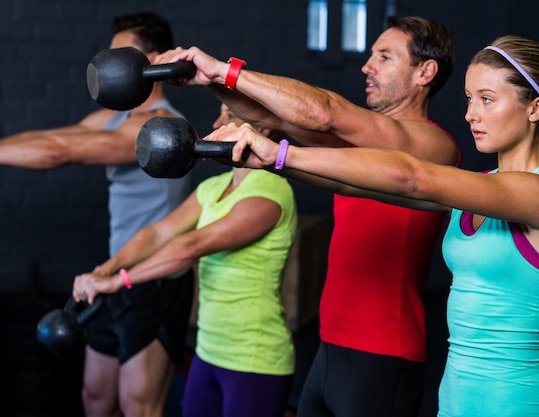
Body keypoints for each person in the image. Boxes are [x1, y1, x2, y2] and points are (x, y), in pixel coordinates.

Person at [207, 35, 539, 417]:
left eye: (487, 99)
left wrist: (282, 151)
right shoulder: (474, 195)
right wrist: (274, 161)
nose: (471, 114)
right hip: (456, 401)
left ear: (535, 108)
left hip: (522, 405)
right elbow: (351, 183)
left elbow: (412, 176)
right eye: (470, 99)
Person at [156, 15, 459, 417]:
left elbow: (324, 111)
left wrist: (226, 70)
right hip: (330, 346)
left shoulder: (433, 144)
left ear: (426, 72)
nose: (367, 66)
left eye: (384, 57)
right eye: (370, 56)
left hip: (384, 353)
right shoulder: (355, 151)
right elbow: (275, 119)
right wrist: (207, 80)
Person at [0, 12, 194, 417]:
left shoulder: (159, 130)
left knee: (138, 405)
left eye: (122, 56)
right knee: (95, 396)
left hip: (152, 280)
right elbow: (60, 136)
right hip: (112, 272)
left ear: (152, 61)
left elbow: (60, 153)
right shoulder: (117, 117)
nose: (110, 66)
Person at [73, 103, 298, 417]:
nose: (218, 122)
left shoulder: (272, 191)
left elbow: (191, 246)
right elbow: (157, 234)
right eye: (218, 112)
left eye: (230, 116)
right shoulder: (213, 188)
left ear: (263, 129)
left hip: (255, 357)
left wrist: (119, 281)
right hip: (209, 352)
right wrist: (104, 270)